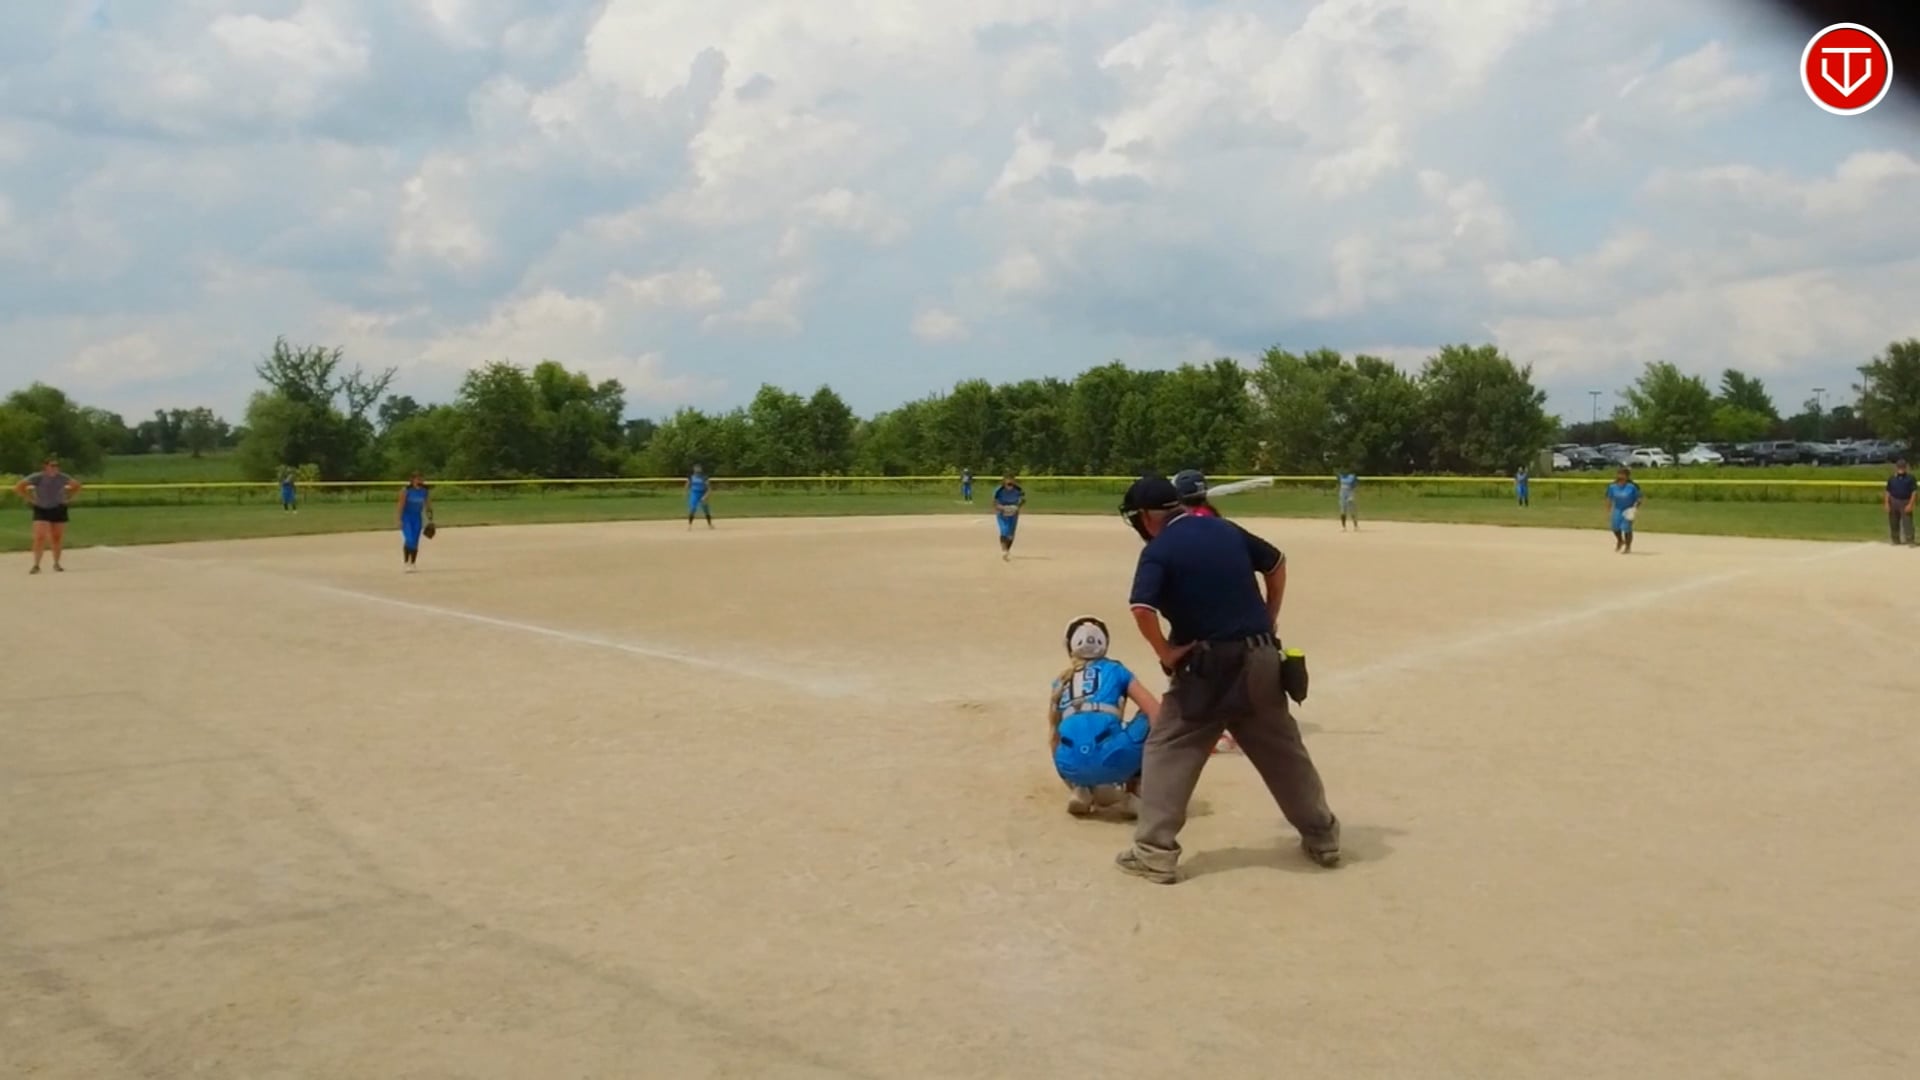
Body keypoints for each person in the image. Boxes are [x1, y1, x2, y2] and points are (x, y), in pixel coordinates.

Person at [1114, 474, 1342, 883]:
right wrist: (1269, 618)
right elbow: (1276, 563)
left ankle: (1154, 852)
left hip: (1207, 667)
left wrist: (1165, 652)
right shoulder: (1224, 528)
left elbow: (1141, 608)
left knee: (1169, 747)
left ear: (1146, 517)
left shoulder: (1159, 550)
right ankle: (1322, 836)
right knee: (1283, 751)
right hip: (1261, 657)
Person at [1049, 616, 1161, 818]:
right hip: (1112, 756)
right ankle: (1134, 793)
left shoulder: (1060, 681)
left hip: (1069, 765)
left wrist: (1069, 776)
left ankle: (1081, 789)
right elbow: (1154, 712)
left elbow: (1053, 738)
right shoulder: (1116, 670)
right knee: (1149, 718)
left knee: (1071, 733)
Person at [15, 458, 81, 574]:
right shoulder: (37, 477)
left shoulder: (62, 477)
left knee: (56, 537)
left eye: (56, 466)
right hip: (42, 508)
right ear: (45, 467)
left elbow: (76, 486)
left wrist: (69, 498)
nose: (55, 468)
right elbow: (19, 486)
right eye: (52, 466)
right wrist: (30, 499)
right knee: (40, 536)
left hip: (58, 508)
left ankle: (56, 563)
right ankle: (36, 565)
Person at [394, 472, 433, 569]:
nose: (420, 481)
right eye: (417, 479)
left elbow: (427, 505)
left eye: (421, 479)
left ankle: (413, 563)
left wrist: (430, 519)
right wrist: (399, 519)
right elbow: (400, 506)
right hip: (406, 517)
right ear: (412, 480)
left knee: (415, 540)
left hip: (417, 517)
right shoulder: (406, 490)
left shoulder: (424, 491)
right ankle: (406, 562)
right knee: (409, 539)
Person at [1604, 467, 1643, 554]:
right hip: (1618, 508)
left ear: (1627, 476)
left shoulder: (1632, 486)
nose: (1620, 476)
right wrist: (1608, 509)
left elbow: (1639, 498)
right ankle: (1620, 540)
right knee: (1615, 527)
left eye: (1623, 474)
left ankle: (1628, 546)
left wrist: (1635, 508)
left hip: (1629, 509)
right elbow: (1609, 498)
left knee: (1626, 528)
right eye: (1619, 474)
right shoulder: (1613, 486)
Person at [992, 473, 1024, 560]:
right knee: (1004, 531)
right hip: (1002, 513)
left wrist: (1017, 507)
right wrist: (1001, 508)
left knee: (1011, 534)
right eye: (1007, 480)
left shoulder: (1018, 490)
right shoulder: (999, 490)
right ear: (1004, 481)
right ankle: (1004, 550)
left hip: (1013, 513)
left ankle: (1007, 550)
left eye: (1011, 480)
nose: (1010, 482)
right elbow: (994, 502)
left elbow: (1022, 500)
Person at [1887, 459, 1916, 546]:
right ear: (1896, 468)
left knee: (1907, 522)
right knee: (1893, 521)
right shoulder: (1892, 478)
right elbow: (1888, 491)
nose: (1901, 469)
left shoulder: (1910, 478)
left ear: (1905, 467)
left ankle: (1910, 540)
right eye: (1899, 467)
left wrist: (1911, 504)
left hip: (1905, 501)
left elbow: (1914, 492)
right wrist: (1886, 503)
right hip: (1894, 501)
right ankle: (1895, 539)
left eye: (1902, 467)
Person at [687, 465, 713, 529]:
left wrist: (705, 496)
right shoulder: (691, 477)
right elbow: (688, 485)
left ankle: (710, 524)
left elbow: (709, 489)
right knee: (693, 509)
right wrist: (688, 491)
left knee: (706, 509)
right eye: (696, 470)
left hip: (702, 493)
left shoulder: (704, 478)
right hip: (694, 493)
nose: (697, 472)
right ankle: (689, 525)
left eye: (698, 470)